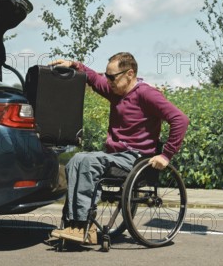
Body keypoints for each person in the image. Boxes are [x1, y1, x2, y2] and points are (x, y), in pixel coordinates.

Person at [49, 52, 189, 244]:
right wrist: (74, 64)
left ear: (129, 74)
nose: (108, 81)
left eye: (112, 77)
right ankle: (72, 224)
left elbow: (180, 119)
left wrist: (166, 156)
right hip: (115, 156)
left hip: (136, 157)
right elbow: (95, 79)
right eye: (107, 76)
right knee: (75, 159)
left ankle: (83, 225)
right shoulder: (115, 92)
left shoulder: (146, 94)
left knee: (89, 161)